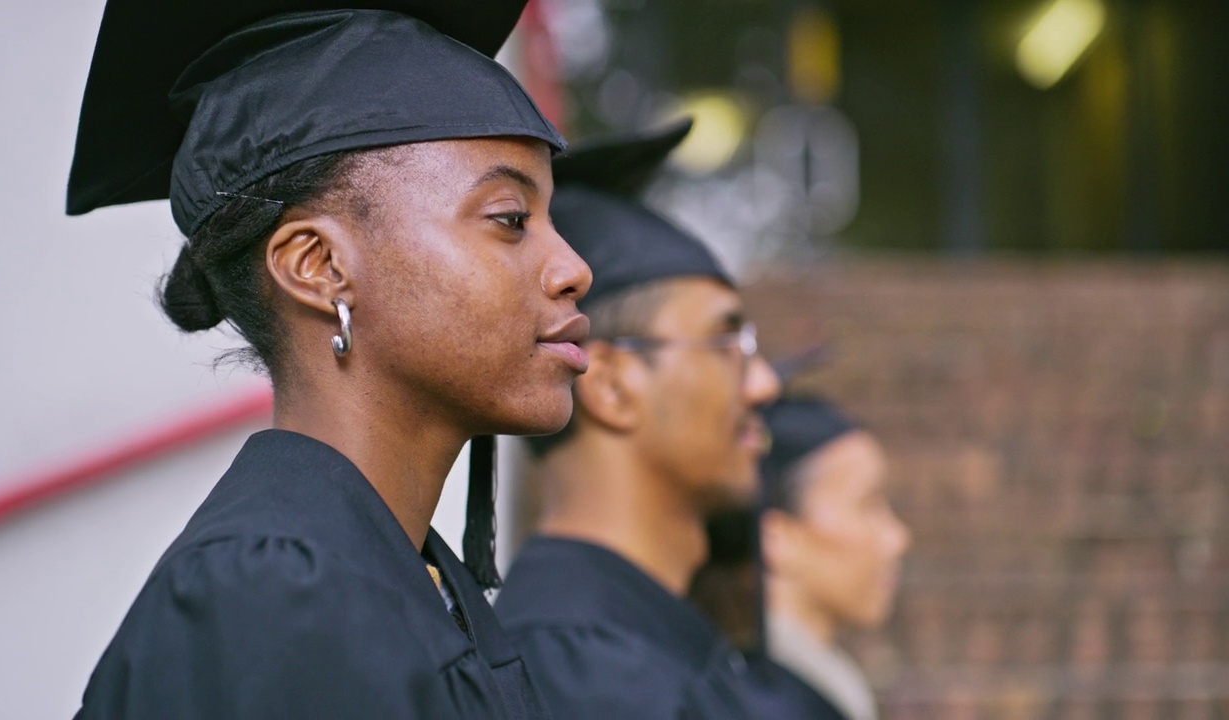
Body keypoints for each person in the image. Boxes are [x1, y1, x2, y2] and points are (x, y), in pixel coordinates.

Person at [66, 1, 591, 716]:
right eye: (510, 220)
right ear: (318, 266)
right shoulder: (271, 596)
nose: (572, 268)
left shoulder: (414, 579)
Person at [493, 120, 784, 718]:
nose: (765, 384)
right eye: (727, 343)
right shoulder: (585, 671)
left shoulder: (647, 638)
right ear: (613, 386)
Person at [690, 396, 912, 720]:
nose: (897, 538)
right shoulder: (753, 704)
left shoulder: (825, 685)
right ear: (776, 536)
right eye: (868, 505)